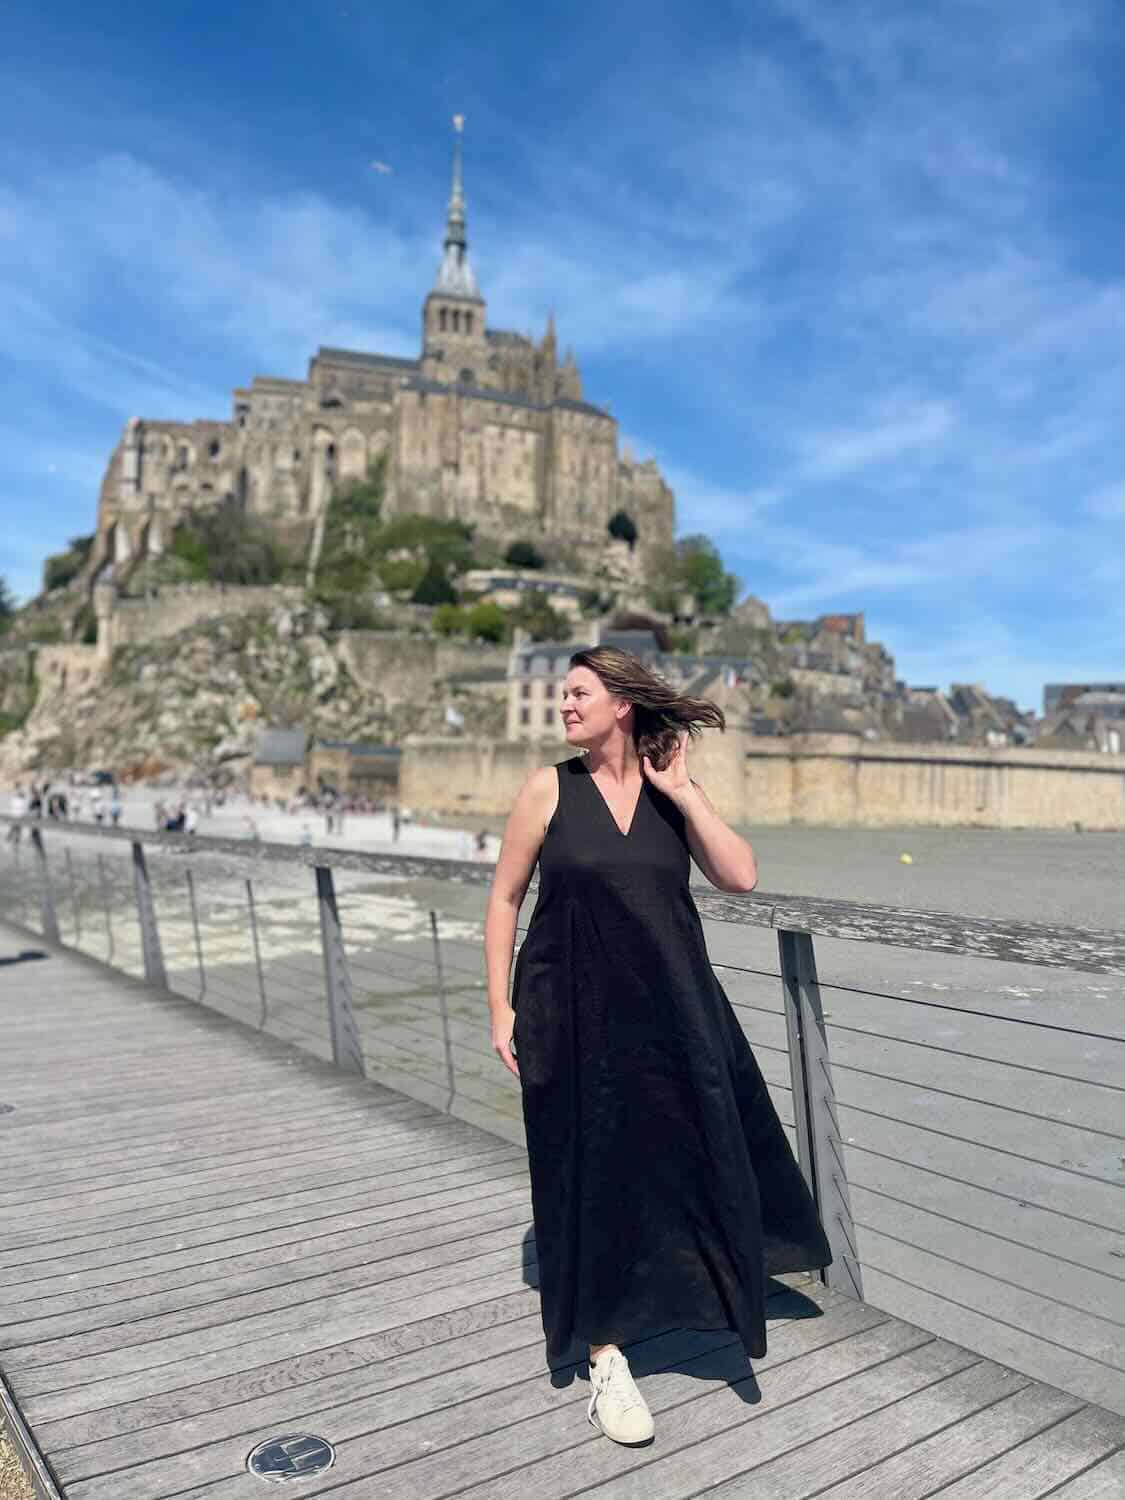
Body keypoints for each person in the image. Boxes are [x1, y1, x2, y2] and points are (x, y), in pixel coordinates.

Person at [484, 646, 832, 1447]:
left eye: (578, 693)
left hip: (671, 1009)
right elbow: (503, 899)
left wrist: (682, 791)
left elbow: (739, 876)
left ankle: (715, 1276)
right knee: (590, 1171)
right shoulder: (548, 787)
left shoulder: (671, 789)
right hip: (567, 1011)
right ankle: (606, 1354)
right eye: (561, 694)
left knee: (689, 1151)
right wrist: (499, 1007)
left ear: (622, 705)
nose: (563, 705)